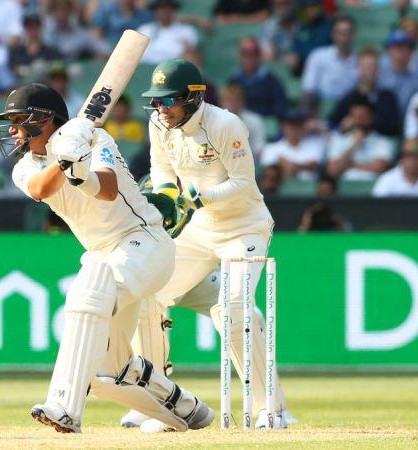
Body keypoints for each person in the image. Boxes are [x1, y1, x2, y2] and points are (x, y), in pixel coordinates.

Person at [0, 82, 214, 433]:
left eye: (19, 119)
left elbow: (109, 190)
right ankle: (186, 410)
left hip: (145, 242)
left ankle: (64, 407)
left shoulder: (98, 140)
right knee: (107, 373)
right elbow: (41, 189)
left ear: (45, 120)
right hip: (106, 254)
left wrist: (79, 161)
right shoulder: (25, 167)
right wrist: (66, 161)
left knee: (87, 289)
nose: (12, 129)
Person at [120, 59, 293, 432]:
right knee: (148, 296)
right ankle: (159, 403)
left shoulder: (225, 125)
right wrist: (169, 198)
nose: (162, 109)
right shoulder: (158, 124)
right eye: (157, 102)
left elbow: (244, 185)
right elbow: (162, 170)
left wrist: (195, 198)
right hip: (199, 229)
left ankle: (271, 410)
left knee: (233, 312)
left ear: (192, 98)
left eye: (169, 101)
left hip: (244, 228)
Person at [328, 46, 401, 137]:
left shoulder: (388, 97)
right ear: (358, 68)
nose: (370, 70)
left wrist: (365, 121)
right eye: (366, 66)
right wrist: (343, 125)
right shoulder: (350, 97)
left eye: (373, 66)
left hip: (379, 142)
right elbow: (332, 122)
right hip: (352, 140)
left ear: (378, 70)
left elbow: (394, 128)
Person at [326, 95, 394, 181]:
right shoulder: (339, 141)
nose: (359, 121)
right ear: (350, 118)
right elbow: (333, 170)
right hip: (346, 189)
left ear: (371, 117)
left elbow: (380, 168)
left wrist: (348, 165)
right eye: (356, 117)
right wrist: (355, 145)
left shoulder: (383, 142)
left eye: (363, 117)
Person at [228, 37, 288, 119]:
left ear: (259, 56)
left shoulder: (272, 82)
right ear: (239, 56)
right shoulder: (233, 82)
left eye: (253, 53)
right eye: (245, 53)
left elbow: (280, 110)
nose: (249, 58)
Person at [301, 15, 358, 101]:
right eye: (340, 33)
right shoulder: (318, 56)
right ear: (333, 35)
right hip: (321, 107)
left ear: (353, 35)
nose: (344, 38)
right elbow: (309, 90)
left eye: (347, 33)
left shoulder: (359, 61)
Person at [260, 108, 325, 179]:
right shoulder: (270, 148)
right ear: (283, 127)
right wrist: (300, 167)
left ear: (304, 127)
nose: (295, 129)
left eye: (299, 125)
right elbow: (269, 172)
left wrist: (288, 164)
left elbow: (315, 164)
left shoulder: (314, 146)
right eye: (291, 125)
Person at [378, 30, 418, 113]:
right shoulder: (379, 75)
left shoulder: (417, 81)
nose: (402, 51)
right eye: (397, 47)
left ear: (411, 52)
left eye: (406, 47)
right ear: (389, 50)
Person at [42, 0, 109, 63]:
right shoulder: (47, 32)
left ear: (70, 11)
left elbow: (105, 49)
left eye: (64, 10)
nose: (61, 15)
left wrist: (98, 57)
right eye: (57, 10)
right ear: (53, 13)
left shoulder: (79, 33)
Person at [137, 0, 199, 64]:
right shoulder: (144, 30)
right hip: (144, 70)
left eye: (168, 8)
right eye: (161, 8)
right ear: (155, 11)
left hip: (173, 71)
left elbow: (192, 57)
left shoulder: (186, 31)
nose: (164, 11)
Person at [8, 13, 62, 79]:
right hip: (23, 86)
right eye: (29, 26)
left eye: (36, 25)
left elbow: (57, 68)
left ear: (41, 27)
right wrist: (23, 71)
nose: (33, 29)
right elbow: (10, 70)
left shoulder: (50, 51)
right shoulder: (17, 52)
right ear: (25, 28)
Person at [219, 83, 266, 155]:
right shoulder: (212, 121)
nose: (233, 104)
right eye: (229, 100)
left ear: (243, 102)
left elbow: (259, 149)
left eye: (237, 100)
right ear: (222, 102)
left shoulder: (255, 121)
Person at [288, 0, 332, 75]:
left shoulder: (329, 27)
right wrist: (294, 58)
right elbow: (296, 50)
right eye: (307, 7)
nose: (310, 10)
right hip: (306, 71)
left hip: (327, 70)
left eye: (313, 6)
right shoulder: (300, 29)